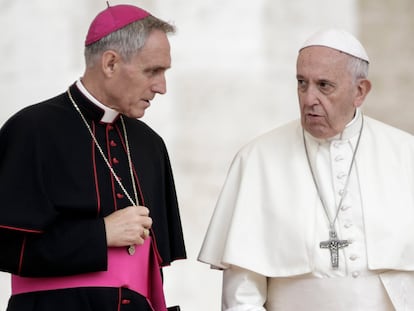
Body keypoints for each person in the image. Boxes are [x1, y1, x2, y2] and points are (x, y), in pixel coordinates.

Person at [198, 28, 414, 310]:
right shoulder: (257, 159)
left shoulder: (406, 153)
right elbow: (242, 292)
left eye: (324, 85)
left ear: (360, 91)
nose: (309, 98)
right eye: (302, 83)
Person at [0, 4, 186, 311]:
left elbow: (152, 270)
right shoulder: (32, 130)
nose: (161, 87)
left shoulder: (150, 144)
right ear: (111, 63)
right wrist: (99, 234)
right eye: (152, 71)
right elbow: (5, 248)